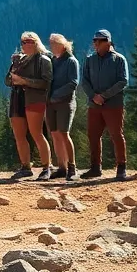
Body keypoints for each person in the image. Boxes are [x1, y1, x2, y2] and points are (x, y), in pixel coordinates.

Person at [80, 29, 129, 180]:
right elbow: (84, 80)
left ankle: (121, 167)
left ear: (107, 42)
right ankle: (95, 167)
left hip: (113, 104)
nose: (95, 43)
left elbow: (123, 81)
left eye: (99, 41)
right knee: (93, 135)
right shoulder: (90, 59)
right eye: (94, 40)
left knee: (116, 135)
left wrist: (104, 96)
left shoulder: (119, 59)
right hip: (94, 104)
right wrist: (94, 96)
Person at [6, 32, 54, 180]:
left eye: (26, 42)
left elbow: (46, 83)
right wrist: (14, 75)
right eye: (22, 42)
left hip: (35, 99)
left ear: (35, 43)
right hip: (17, 99)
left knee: (36, 133)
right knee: (19, 135)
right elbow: (7, 81)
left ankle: (47, 167)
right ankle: (25, 166)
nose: (23, 45)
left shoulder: (43, 60)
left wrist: (24, 81)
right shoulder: (18, 60)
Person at [46, 33, 80, 181]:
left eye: (54, 43)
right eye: (50, 43)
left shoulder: (71, 61)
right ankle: (61, 167)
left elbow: (73, 83)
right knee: (54, 134)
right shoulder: (53, 61)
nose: (51, 46)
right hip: (50, 103)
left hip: (65, 103)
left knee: (64, 133)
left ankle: (72, 167)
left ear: (62, 44)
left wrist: (55, 95)